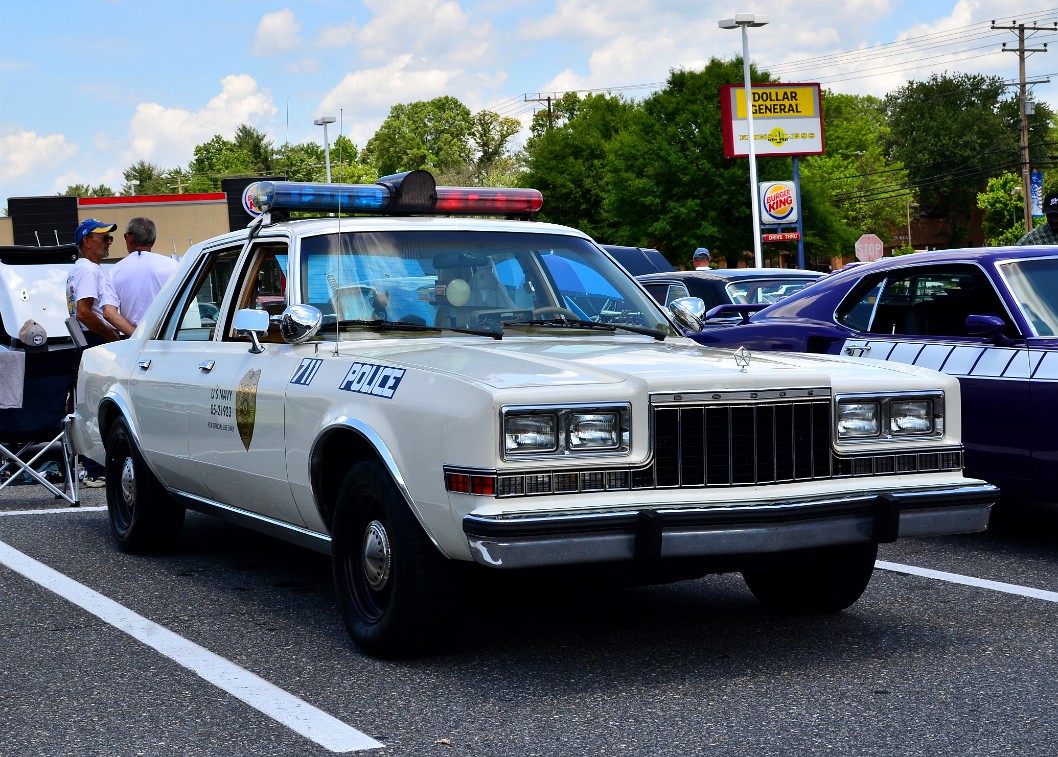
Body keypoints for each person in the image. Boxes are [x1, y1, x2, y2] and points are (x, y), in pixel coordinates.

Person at [66, 218, 135, 487]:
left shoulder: (78, 268)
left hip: (85, 341)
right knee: (100, 405)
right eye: (103, 238)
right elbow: (84, 311)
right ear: (87, 241)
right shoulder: (90, 271)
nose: (109, 243)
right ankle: (96, 469)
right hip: (95, 340)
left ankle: (92, 466)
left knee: (90, 404)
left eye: (110, 238)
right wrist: (112, 335)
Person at [103, 216, 179, 328]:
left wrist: (136, 336)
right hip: (168, 338)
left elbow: (109, 312)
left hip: (134, 342)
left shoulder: (115, 271)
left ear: (128, 237)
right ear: (153, 239)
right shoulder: (173, 266)